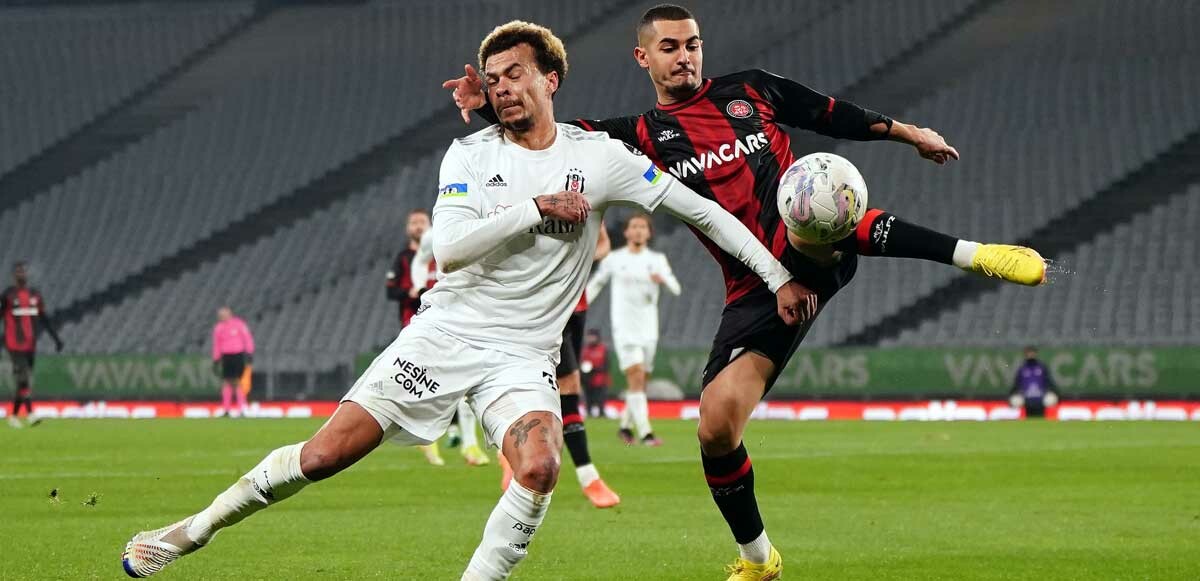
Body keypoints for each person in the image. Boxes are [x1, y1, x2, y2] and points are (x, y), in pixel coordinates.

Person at [121, 20, 808, 580]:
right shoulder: (470, 155)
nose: (504, 88)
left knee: (540, 466)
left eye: (517, 74)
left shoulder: (601, 157)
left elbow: (706, 214)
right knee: (323, 457)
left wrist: (778, 276)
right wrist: (536, 208)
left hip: (523, 356)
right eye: (496, 78)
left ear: (551, 80)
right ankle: (191, 531)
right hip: (444, 334)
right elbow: (448, 248)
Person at [443, 5, 1047, 578]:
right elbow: (548, 130)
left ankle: (974, 255)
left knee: (814, 193)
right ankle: (759, 558)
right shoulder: (636, 137)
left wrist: (909, 132)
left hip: (809, 249)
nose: (685, 57)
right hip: (755, 290)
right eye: (670, 48)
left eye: (693, 45)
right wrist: (493, 108)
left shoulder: (750, 90)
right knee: (716, 425)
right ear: (642, 58)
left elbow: (830, 112)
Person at [587, 213, 679, 446]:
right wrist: (577, 305)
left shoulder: (657, 260)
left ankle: (625, 427)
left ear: (649, 233)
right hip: (624, 328)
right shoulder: (614, 259)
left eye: (642, 227)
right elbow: (595, 284)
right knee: (636, 375)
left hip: (649, 329)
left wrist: (663, 280)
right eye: (634, 227)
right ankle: (646, 433)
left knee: (639, 383)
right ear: (627, 232)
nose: (638, 231)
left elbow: (676, 289)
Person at [412, 229, 489, 467]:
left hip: (474, 315)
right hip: (443, 317)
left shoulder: (488, 227)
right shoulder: (435, 234)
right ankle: (426, 433)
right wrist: (421, 288)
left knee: (468, 381)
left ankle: (469, 443)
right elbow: (420, 260)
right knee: (431, 378)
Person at [388, 208, 449, 466]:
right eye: (413, 222)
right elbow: (390, 293)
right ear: (407, 228)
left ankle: (450, 434)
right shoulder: (403, 258)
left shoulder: (442, 252)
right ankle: (427, 438)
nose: (418, 226)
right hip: (413, 324)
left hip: (445, 323)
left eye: (422, 222)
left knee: (441, 377)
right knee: (423, 378)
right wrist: (411, 292)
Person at [2, 261, 63, 428]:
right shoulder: (7, 295)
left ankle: (14, 416)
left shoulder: (35, 295)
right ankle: (29, 413)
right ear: (14, 276)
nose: (21, 274)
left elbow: (44, 317)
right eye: (18, 272)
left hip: (30, 344)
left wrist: (56, 339)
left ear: (27, 275)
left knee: (24, 382)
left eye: (23, 271)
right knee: (23, 378)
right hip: (14, 344)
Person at [210, 307, 254, 418]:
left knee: (236, 381)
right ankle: (226, 409)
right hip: (226, 356)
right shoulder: (218, 328)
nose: (221, 316)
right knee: (226, 382)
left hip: (238, 355)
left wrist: (249, 352)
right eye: (220, 315)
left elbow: (247, 338)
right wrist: (216, 358)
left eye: (223, 314)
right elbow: (217, 344)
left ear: (230, 314)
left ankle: (242, 409)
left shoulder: (239, 324)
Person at [1010, 346, 1058, 418]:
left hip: (1041, 398)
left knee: (1042, 413)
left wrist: (1055, 392)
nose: (1031, 354)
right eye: (1029, 353)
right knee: (1027, 414)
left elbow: (1048, 381)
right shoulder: (1022, 368)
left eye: (1032, 352)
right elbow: (1016, 383)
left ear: (1035, 354)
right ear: (1025, 354)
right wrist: (1011, 394)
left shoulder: (1041, 367)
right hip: (1026, 398)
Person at [579, 328, 610, 418]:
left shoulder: (603, 349)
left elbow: (606, 365)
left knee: (600, 400)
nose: (591, 339)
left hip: (601, 380)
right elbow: (582, 363)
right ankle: (589, 413)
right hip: (588, 380)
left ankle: (601, 414)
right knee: (588, 399)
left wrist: (595, 369)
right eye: (590, 337)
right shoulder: (585, 350)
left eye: (593, 336)